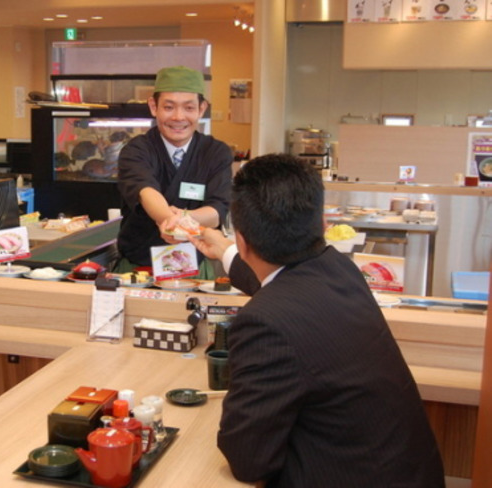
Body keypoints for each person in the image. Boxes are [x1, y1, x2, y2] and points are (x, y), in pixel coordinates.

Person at [190, 154, 445, 488]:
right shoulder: (338, 268)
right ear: (322, 223)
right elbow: (281, 284)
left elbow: (248, 460)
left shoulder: (265, 323)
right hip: (406, 473)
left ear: (243, 240)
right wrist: (225, 249)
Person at [115, 65, 233, 273]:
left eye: (189, 108)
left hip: (194, 269)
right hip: (139, 269)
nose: (179, 117)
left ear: (201, 109)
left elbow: (217, 211)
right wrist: (170, 221)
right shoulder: (137, 150)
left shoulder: (215, 152)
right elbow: (146, 191)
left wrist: (180, 221)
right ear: (154, 107)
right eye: (169, 107)